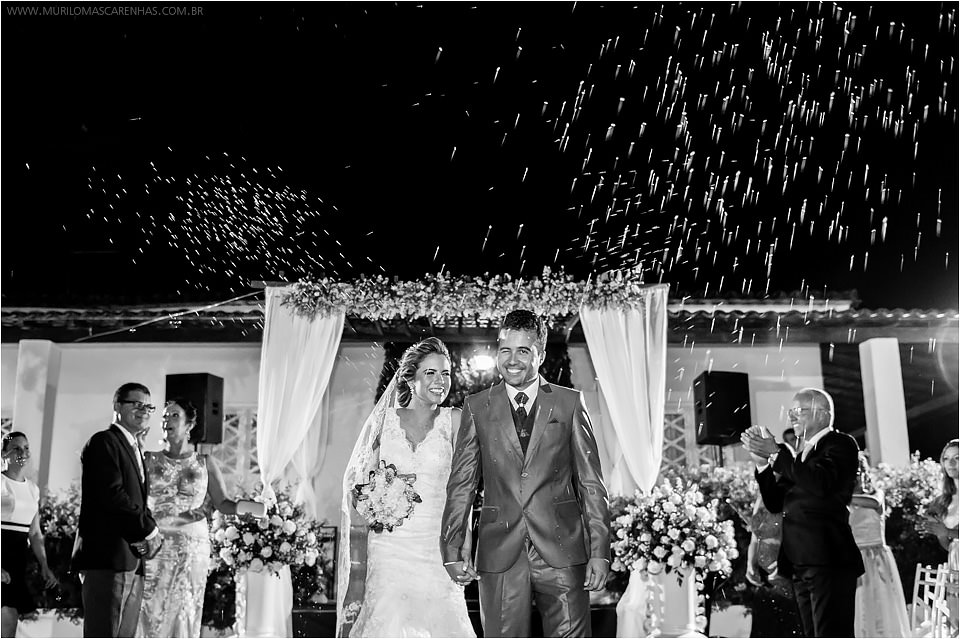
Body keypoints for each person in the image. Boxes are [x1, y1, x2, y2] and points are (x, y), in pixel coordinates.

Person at [442, 310, 610, 638]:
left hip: (564, 549)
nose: (512, 360)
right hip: (499, 551)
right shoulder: (476, 406)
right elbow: (461, 483)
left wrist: (600, 552)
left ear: (541, 354)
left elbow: (591, 484)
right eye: (505, 350)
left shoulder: (569, 403)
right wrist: (452, 548)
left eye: (523, 350)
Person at [337, 337, 475, 637]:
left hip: (437, 546)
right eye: (431, 373)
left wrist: (465, 542)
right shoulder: (383, 422)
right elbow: (358, 483)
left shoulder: (455, 420)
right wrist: (374, 502)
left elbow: (465, 486)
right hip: (389, 547)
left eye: (446, 373)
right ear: (410, 379)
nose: (441, 381)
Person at [741, 387, 864, 638]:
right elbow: (776, 503)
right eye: (790, 412)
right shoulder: (802, 455)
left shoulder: (840, 443)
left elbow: (819, 483)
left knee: (831, 634)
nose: (792, 418)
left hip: (828, 557)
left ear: (821, 413)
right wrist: (762, 464)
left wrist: (776, 452)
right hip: (800, 560)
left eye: (798, 411)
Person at [138, 398, 259, 638]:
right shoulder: (148, 459)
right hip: (156, 543)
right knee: (152, 605)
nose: (166, 420)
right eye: (164, 416)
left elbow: (223, 503)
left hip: (192, 547)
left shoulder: (205, 462)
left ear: (189, 424)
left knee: (186, 607)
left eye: (174, 415)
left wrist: (256, 509)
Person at [72, 382, 162, 638]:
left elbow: (137, 501)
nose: (143, 410)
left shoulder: (135, 448)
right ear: (117, 406)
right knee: (104, 632)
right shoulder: (104, 442)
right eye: (136, 404)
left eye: (148, 406)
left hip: (130, 558)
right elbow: (113, 496)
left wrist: (149, 530)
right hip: (107, 558)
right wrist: (149, 530)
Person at [1, 432, 58, 638]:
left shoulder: (33, 489)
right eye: (15, 448)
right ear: (3, 454)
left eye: (25, 448)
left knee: (10, 619)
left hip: (17, 560)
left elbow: (34, 533)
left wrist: (44, 565)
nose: (22, 452)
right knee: (6, 616)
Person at [849, 453, 911, 638]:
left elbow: (874, 503)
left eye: (858, 470)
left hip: (876, 558)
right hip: (854, 560)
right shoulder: (842, 500)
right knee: (860, 610)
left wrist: (841, 497)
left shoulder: (876, 493)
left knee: (881, 608)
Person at [744, 493, 804, 638]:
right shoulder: (763, 495)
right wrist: (750, 564)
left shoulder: (798, 491)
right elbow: (755, 536)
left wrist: (784, 566)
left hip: (790, 577)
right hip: (764, 576)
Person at [921, 439, 959, 570]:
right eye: (946, 458)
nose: (951, 463)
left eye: (957, 458)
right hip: (955, 560)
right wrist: (937, 529)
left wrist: (948, 531)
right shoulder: (942, 500)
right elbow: (948, 545)